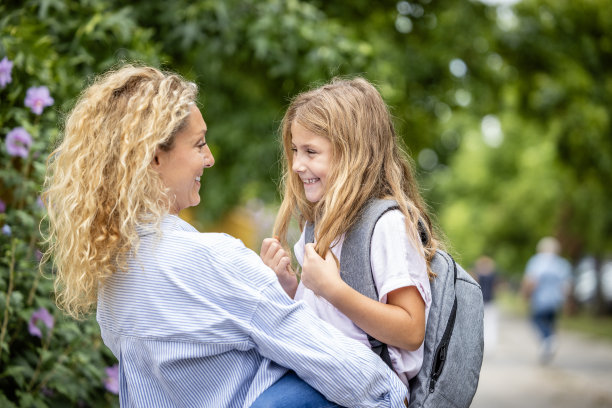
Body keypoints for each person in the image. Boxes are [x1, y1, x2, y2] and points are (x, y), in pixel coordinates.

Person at [42, 65, 408, 407]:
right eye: (199, 144)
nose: (210, 158)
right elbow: (330, 361)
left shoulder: (112, 281)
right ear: (154, 158)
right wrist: (393, 393)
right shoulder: (213, 260)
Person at [259, 77, 438, 401]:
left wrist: (332, 289)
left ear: (353, 154)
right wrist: (289, 288)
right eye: (296, 151)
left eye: (311, 151)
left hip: (373, 388)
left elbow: (411, 330)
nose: (298, 165)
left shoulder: (387, 226)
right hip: (328, 372)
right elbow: (323, 315)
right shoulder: (320, 222)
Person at [521, 236, 572, 364]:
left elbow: (531, 281)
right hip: (556, 300)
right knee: (550, 322)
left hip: (541, 299)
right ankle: (548, 344)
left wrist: (525, 294)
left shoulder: (537, 261)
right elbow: (566, 285)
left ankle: (548, 340)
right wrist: (566, 301)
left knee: (536, 320)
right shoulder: (562, 264)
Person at [473, 255, 498, 354]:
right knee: (490, 324)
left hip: (482, 301)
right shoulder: (493, 275)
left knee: (482, 324)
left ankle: (485, 344)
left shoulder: (477, 275)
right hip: (490, 301)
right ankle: (490, 345)